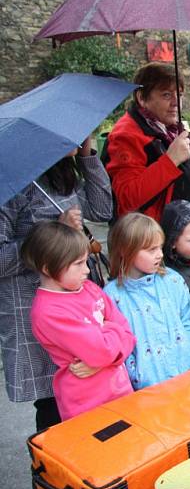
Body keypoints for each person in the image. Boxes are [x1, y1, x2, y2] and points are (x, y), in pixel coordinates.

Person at [0, 135, 112, 430]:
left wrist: (87, 157)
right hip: (35, 307)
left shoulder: (61, 172)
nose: (82, 134)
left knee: (90, 389)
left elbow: (102, 210)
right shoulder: (13, 184)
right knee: (54, 405)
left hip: (79, 299)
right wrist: (53, 235)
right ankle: (51, 473)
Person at [22, 221, 135, 421]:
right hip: (87, 405)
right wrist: (112, 331)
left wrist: (103, 359)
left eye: (86, 261)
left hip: (122, 393)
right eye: (78, 264)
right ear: (48, 268)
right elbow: (103, 349)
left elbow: (129, 335)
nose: (87, 270)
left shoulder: (90, 288)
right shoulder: (48, 312)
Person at [104, 213, 190, 390]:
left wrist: (188, 352)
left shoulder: (172, 280)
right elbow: (115, 341)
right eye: (151, 249)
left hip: (185, 376)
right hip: (144, 390)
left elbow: (189, 318)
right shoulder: (111, 296)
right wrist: (134, 373)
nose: (159, 255)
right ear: (126, 250)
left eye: (160, 247)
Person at [104, 62, 190, 222]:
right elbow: (127, 200)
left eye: (179, 95)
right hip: (148, 238)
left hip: (177, 231)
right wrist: (170, 160)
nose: (176, 103)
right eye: (166, 95)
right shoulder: (125, 136)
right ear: (142, 98)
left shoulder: (169, 129)